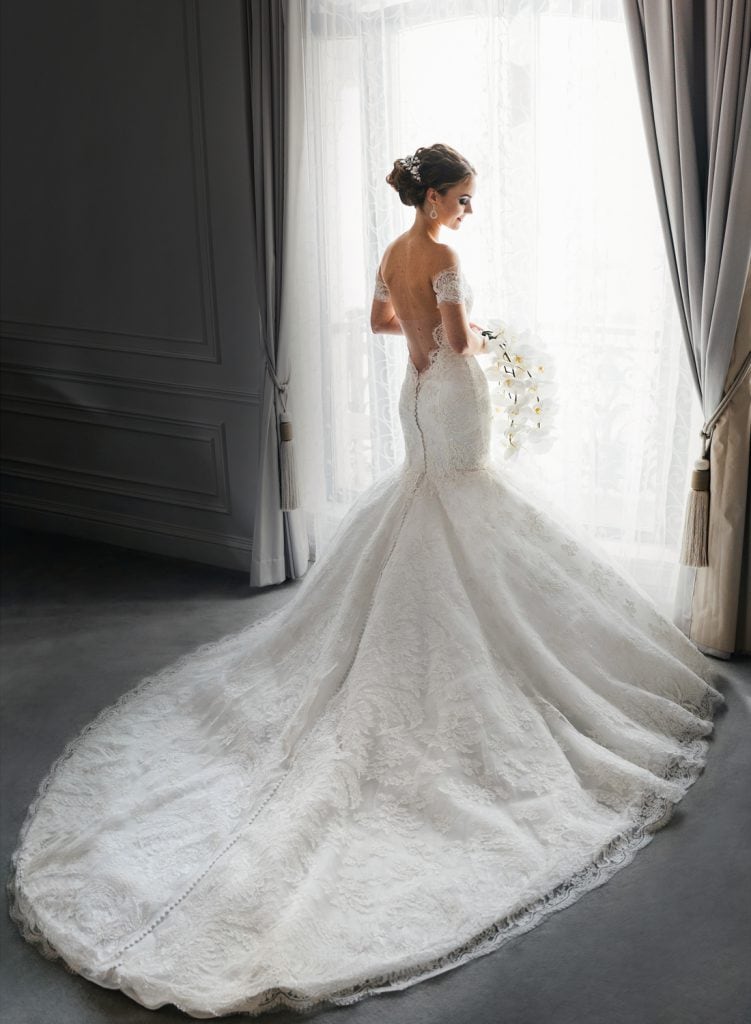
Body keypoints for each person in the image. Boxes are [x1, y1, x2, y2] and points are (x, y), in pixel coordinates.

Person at [8, 143, 725, 1019]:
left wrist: (429, 340)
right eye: (462, 196)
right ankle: (493, 643)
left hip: (415, 397)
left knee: (432, 506)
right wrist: (482, 343)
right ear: (432, 196)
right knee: (468, 504)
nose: (468, 210)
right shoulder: (447, 257)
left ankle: (453, 624)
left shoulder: (393, 254)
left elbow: (390, 326)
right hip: (454, 392)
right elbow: (456, 340)